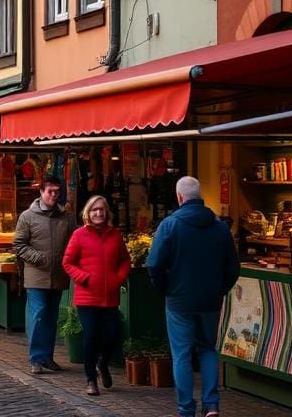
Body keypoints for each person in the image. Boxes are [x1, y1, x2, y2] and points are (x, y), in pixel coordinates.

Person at [147, 176, 239, 417]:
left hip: (178, 300)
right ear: (200, 196)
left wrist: (163, 288)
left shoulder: (170, 225)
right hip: (210, 300)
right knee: (207, 349)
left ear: (179, 197)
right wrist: (220, 289)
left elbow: (154, 263)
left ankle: (186, 408)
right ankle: (211, 405)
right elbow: (233, 267)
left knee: (182, 355)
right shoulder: (220, 227)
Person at [62, 195, 131, 396]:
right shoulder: (79, 235)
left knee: (112, 334)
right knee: (91, 335)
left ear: (107, 212)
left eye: (102, 209)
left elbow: (125, 260)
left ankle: (103, 363)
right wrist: (84, 278)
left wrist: (119, 278)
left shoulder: (115, 235)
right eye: (94, 210)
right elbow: (68, 262)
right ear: (88, 214)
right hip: (87, 297)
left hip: (110, 297)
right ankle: (91, 379)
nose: (99, 213)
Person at [14, 175, 77, 374]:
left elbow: (75, 242)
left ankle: (47, 357)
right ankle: (36, 358)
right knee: (38, 316)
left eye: (57, 192)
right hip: (36, 276)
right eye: (50, 191)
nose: (54, 195)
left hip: (58, 276)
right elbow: (19, 245)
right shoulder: (27, 216)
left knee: (51, 317)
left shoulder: (66, 217)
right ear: (41, 192)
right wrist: (40, 258)